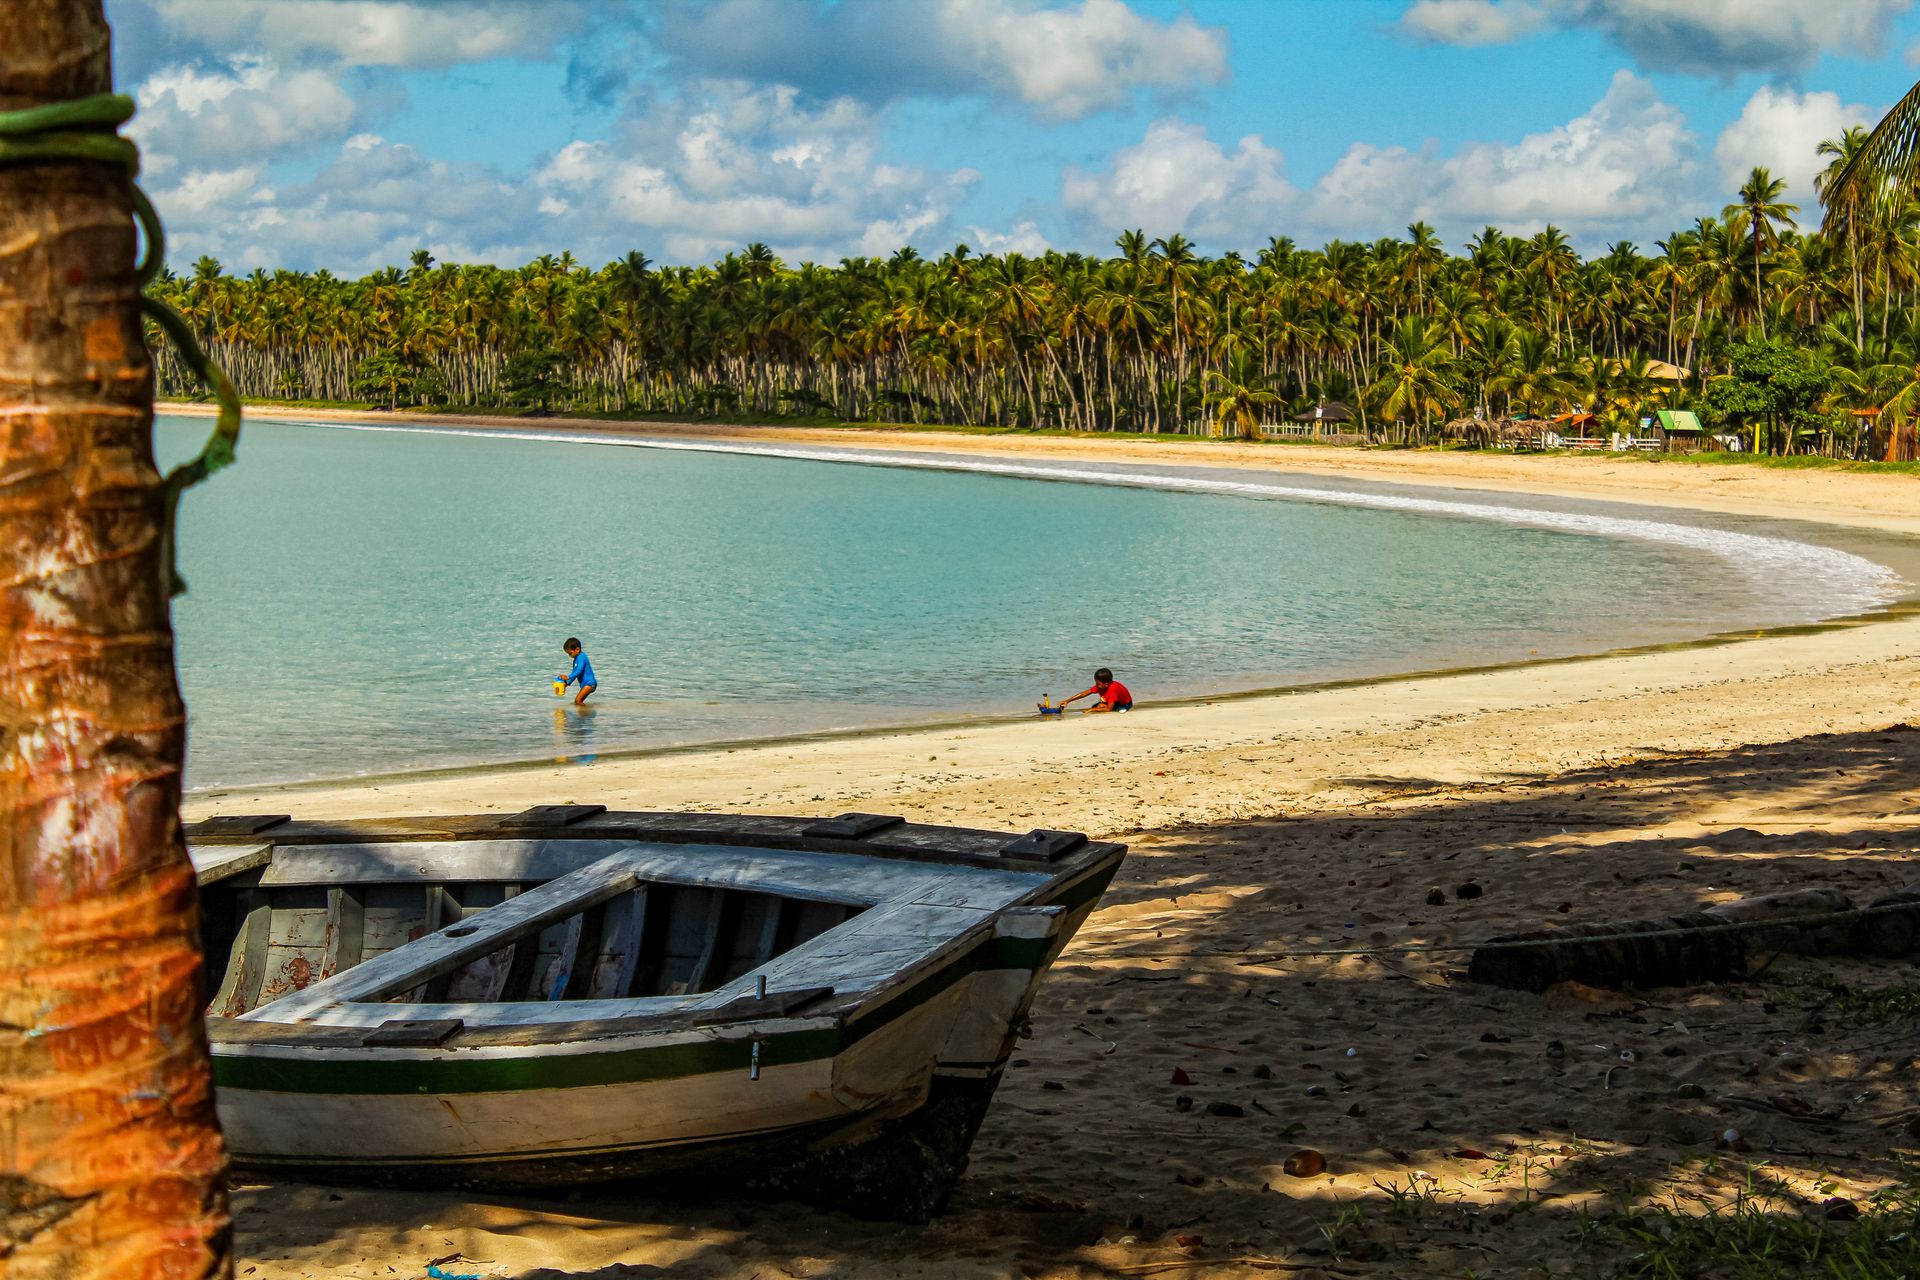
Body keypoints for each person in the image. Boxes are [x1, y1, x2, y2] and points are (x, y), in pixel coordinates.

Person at [1059, 667, 1132, 714]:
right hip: (1113, 701)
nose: (1096, 685)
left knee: (1099, 708)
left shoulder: (1112, 690)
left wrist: (1093, 709)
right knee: (1096, 706)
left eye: (1098, 683)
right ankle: (1102, 705)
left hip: (1124, 704)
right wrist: (1068, 701)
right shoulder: (1101, 686)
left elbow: (1109, 709)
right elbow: (1085, 693)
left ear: (1106, 684)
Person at [557, 637, 597, 705]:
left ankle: (586, 712)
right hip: (586, 684)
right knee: (579, 702)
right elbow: (575, 673)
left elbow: (579, 671)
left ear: (577, 649)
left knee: (577, 701)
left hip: (590, 684)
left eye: (570, 653)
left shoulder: (582, 657)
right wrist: (567, 683)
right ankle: (585, 714)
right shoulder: (576, 660)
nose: (569, 656)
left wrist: (568, 677)